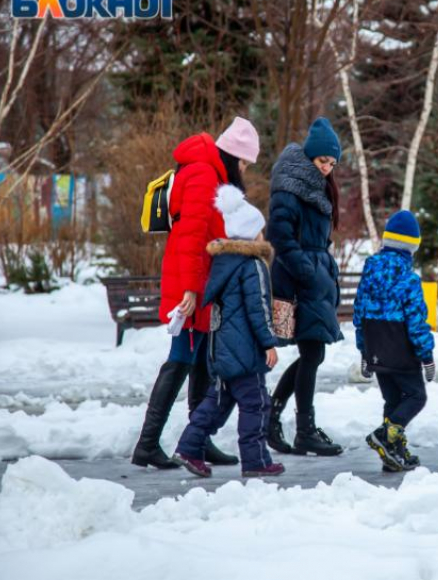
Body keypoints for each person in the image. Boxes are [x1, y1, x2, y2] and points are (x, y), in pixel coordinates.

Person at [131, 117, 260, 470]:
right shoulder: (204, 174)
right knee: (180, 361)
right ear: (233, 156)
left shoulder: (208, 173)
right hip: (190, 284)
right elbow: (191, 236)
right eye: (245, 163)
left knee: (200, 360)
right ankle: (147, 444)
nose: (245, 170)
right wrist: (189, 289)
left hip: (199, 282)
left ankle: (198, 441)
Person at [173, 185, 285, 478]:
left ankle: (188, 447)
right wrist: (269, 344)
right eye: (260, 230)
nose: (263, 236)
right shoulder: (252, 265)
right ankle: (256, 461)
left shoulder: (223, 262)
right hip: (244, 349)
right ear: (251, 233)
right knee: (256, 404)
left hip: (221, 346)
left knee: (217, 403)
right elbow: (258, 308)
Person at [265, 117, 344, 456]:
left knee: (313, 352)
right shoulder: (290, 186)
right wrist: (307, 271)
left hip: (314, 275)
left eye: (332, 163)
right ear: (310, 157)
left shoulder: (318, 186)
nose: (327, 168)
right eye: (322, 160)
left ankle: (275, 417)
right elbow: (279, 235)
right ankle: (303, 429)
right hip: (298, 278)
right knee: (312, 352)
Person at [353, 210, 436, 472]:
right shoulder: (408, 279)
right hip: (400, 347)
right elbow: (416, 320)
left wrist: (365, 352)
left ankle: (393, 452)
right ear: (413, 246)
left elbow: (359, 312)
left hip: (376, 346)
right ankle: (384, 437)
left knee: (393, 401)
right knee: (415, 397)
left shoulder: (369, 269)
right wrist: (427, 356)